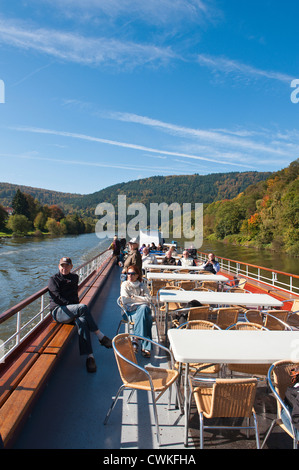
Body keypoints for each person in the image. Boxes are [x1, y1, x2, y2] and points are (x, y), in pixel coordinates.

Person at [48, 256, 112, 373]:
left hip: (72, 310)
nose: (64, 268)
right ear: (59, 266)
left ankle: (90, 357)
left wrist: (75, 309)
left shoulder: (74, 278)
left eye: (67, 266)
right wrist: (75, 308)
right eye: (62, 266)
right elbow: (57, 297)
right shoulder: (53, 280)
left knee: (82, 322)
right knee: (82, 307)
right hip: (59, 311)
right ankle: (100, 336)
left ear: (71, 267)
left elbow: (74, 296)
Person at [120, 265, 153, 357]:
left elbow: (149, 299)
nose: (129, 275)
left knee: (143, 309)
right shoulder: (125, 285)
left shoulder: (142, 285)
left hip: (140, 311)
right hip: (129, 313)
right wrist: (141, 300)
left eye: (132, 274)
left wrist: (134, 298)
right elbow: (125, 300)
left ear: (137, 275)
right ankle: (145, 348)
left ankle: (136, 340)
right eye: (128, 273)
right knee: (146, 314)